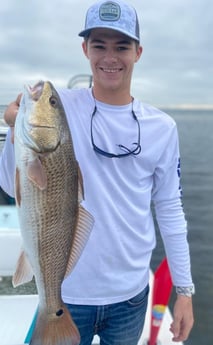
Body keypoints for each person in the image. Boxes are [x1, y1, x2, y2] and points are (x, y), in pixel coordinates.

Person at [0, 0, 194, 344]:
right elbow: (8, 183)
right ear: (85, 49)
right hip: (66, 289)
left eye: (121, 46)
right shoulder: (63, 105)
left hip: (130, 295)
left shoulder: (162, 127)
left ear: (138, 52)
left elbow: (169, 210)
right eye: (99, 45)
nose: (110, 57)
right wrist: (15, 134)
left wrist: (184, 291)